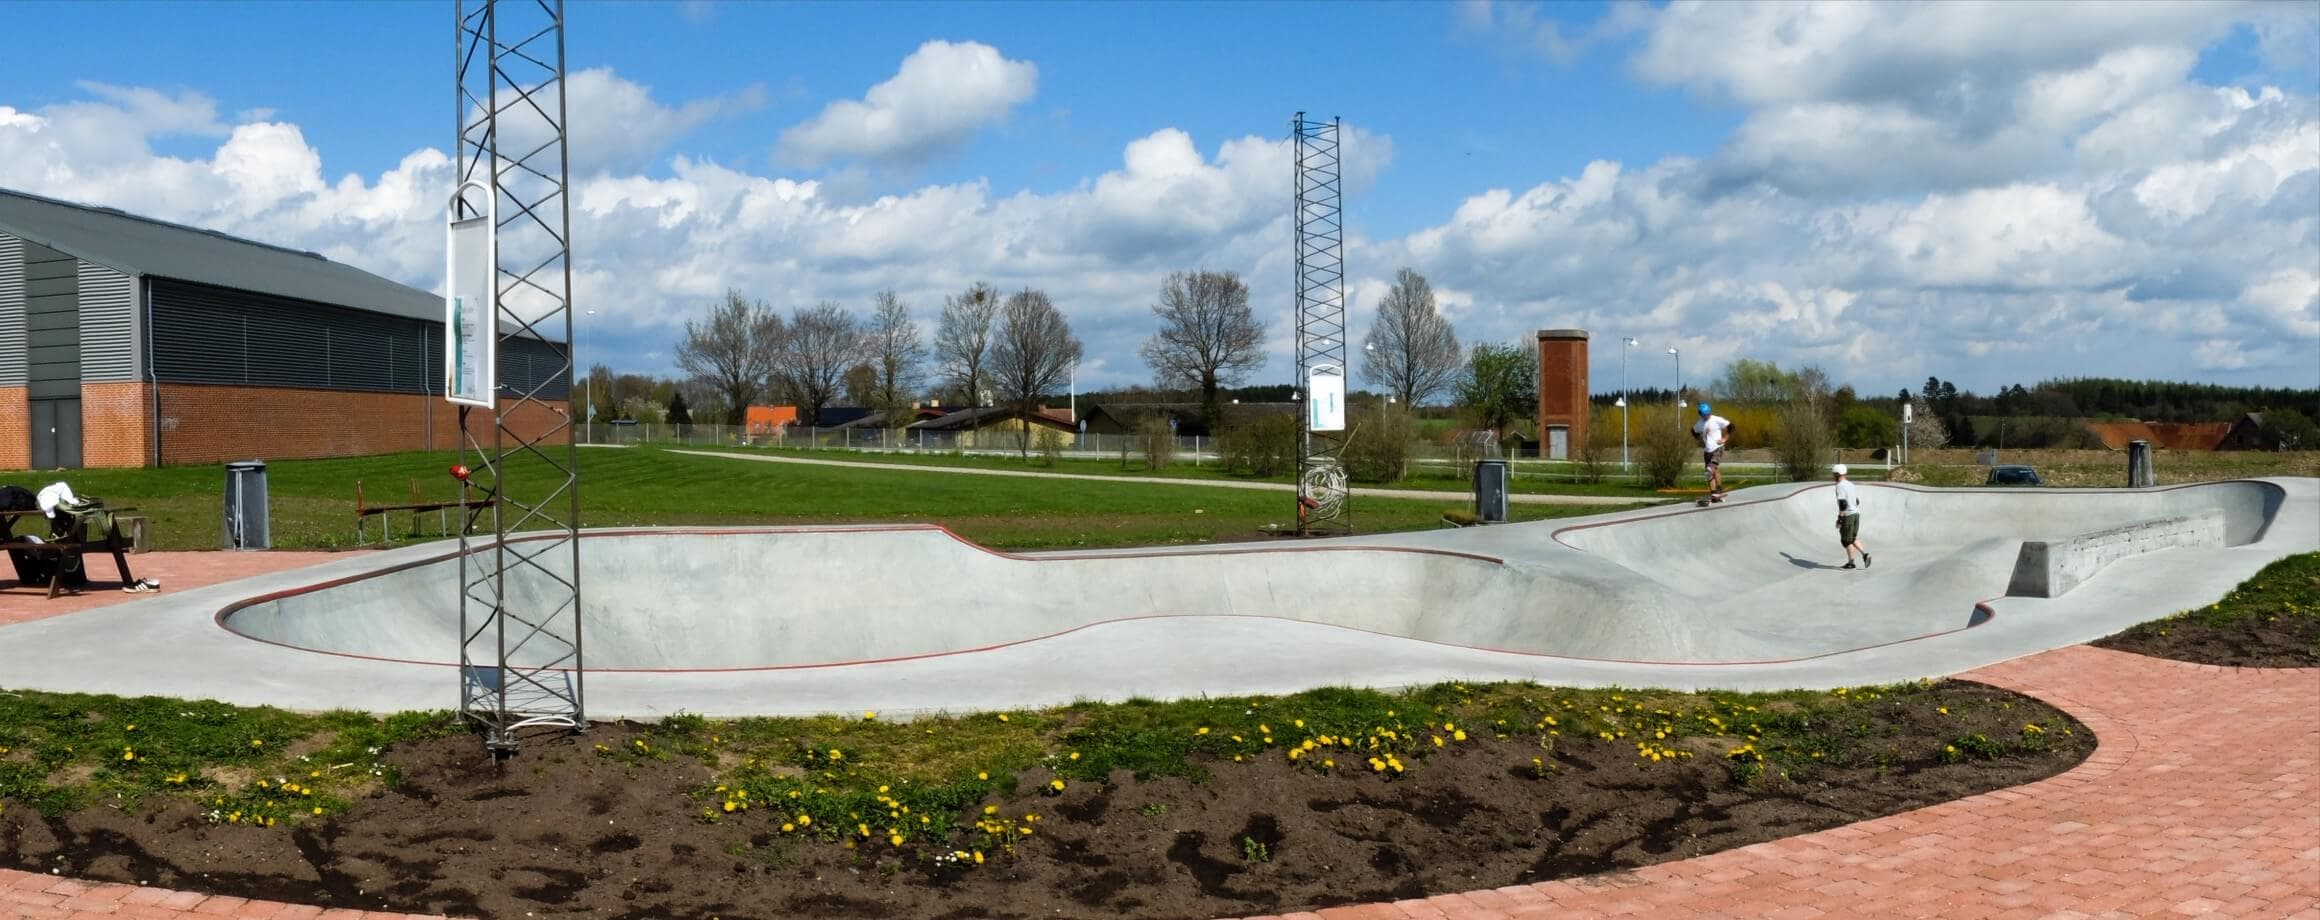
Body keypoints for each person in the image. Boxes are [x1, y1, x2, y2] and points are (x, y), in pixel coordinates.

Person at [1692, 402, 1733, 502]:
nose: (1706, 416)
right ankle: (1715, 493)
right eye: (1704, 415)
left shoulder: (1716, 419)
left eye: (1707, 414)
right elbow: (1693, 431)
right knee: (1713, 472)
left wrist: (1725, 438)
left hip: (1718, 448)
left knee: (1710, 469)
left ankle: (1717, 489)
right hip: (1707, 451)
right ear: (1700, 414)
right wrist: (1699, 440)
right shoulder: (1700, 423)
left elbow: (1731, 426)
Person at [1833, 464, 1870, 570]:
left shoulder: (1840, 486)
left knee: (1846, 540)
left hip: (1847, 515)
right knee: (1853, 538)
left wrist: (1839, 519)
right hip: (1856, 514)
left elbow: (1843, 503)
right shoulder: (1851, 484)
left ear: (1837, 474)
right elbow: (1856, 501)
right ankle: (1865, 555)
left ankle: (1851, 563)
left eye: (1834, 474)